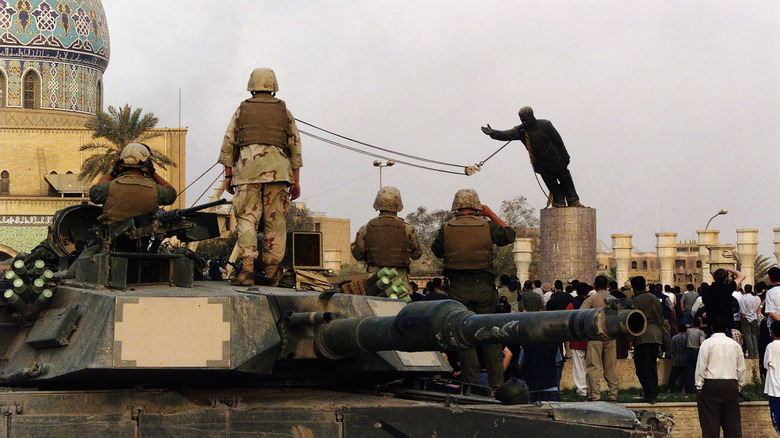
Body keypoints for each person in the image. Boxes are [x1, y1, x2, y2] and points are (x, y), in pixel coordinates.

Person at [217, 68, 302, 286]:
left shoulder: (242, 110)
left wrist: (228, 175)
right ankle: (273, 273)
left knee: (247, 219)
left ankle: (246, 271)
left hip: (247, 172)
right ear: (273, 86)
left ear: (251, 85)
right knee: (276, 222)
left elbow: (228, 143)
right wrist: (296, 180)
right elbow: (295, 147)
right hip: (279, 174)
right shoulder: (284, 111)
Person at [431, 189, 516, 391]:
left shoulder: (447, 228)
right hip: (484, 287)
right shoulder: (487, 226)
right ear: (477, 206)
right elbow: (509, 234)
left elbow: (436, 250)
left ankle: (471, 387)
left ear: (456, 207)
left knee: (463, 337)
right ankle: (496, 386)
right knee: (490, 335)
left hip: (458, 288)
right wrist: (491, 214)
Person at [481, 106, 582, 207]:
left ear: (532, 116)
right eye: (522, 119)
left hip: (557, 160)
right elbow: (507, 134)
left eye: (526, 119)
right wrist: (493, 133)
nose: (524, 122)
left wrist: (565, 157)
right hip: (542, 165)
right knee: (553, 186)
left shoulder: (545, 125)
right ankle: (559, 203)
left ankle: (573, 201)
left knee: (566, 181)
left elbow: (558, 141)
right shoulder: (521, 130)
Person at [351, 186, 422, 294]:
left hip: (375, 285)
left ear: (377, 204)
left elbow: (358, 254)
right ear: (398, 205)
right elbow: (416, 254)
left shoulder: (366, 228)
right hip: (400, 285)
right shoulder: (407, 228)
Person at [89, 142, 177, 225]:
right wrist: (153, 173)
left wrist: (113, 173)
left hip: (112, 239)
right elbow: (171, 194)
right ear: (147, 164)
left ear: (120, 163)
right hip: (144, 239)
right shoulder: (156, 190)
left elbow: (94, 193)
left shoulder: (109, 187)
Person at [694, 319, 747, 438]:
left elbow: (701, 366)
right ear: (726, 329)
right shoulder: (735, 345)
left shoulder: (707, 344)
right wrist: (739, 386)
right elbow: (741, 368)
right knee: (732, 425)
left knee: (710, 425)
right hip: (731, 385)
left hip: (710, 385)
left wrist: (699, 385)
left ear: (712, 328)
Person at [581, 275, 619, 401]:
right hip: (611, 336)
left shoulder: (591, 300)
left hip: (595, 336)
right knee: (610, 366)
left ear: (594, 285)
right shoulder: (614, 299)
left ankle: (595, 394)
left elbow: (581, 316)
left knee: (594, 365)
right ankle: (613, 393)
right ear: (608, 285)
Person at [627, 276, 663, 403]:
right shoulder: (654, 299)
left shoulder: (635, 301)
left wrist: (631, 338)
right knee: (652, 365)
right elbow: (660, 318)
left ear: (633, 287)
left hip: (642, 336)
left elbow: (633, 320)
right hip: (655, 335)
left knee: (643, 367)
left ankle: (649, 394)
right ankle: (654, 392)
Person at [566, 282, 591, 399]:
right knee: (592, 365)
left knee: (578, 366)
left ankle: (581, 390)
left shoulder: (572, 304)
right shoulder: (591, 303)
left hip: (576, 339)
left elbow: (566, 320)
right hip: (590, 338)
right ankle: (592, 388)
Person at [764, 321, 780, 435]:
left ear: (772, 332)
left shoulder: (770, 346)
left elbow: (766, 364)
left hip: (774, 389)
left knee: (777, 420)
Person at [686, 318, 707, 395]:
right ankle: (696, 388)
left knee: (689, 371)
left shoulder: (688, 331)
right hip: (696, 351)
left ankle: (689, 390)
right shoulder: (701, 332)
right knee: (697, 370)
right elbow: (702, 342)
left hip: (688, 351)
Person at [740, 284, 761, 358]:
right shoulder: (757, 298)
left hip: (746, 318)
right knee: (754, 337)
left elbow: (742, 311)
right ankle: (756, 353)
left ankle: (751, 354)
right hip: (754, 318)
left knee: (748, 337)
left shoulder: (743, 298)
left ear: (745, 290)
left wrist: (742, 319)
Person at [667, 324, 688, 393]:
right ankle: (684, 390)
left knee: (673, 376)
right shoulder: (687, 337)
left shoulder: (674, 338)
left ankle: (669, 389)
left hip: (676, 359)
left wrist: (672, 360)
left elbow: (672, 350)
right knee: (684, 376)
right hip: (685, 359)